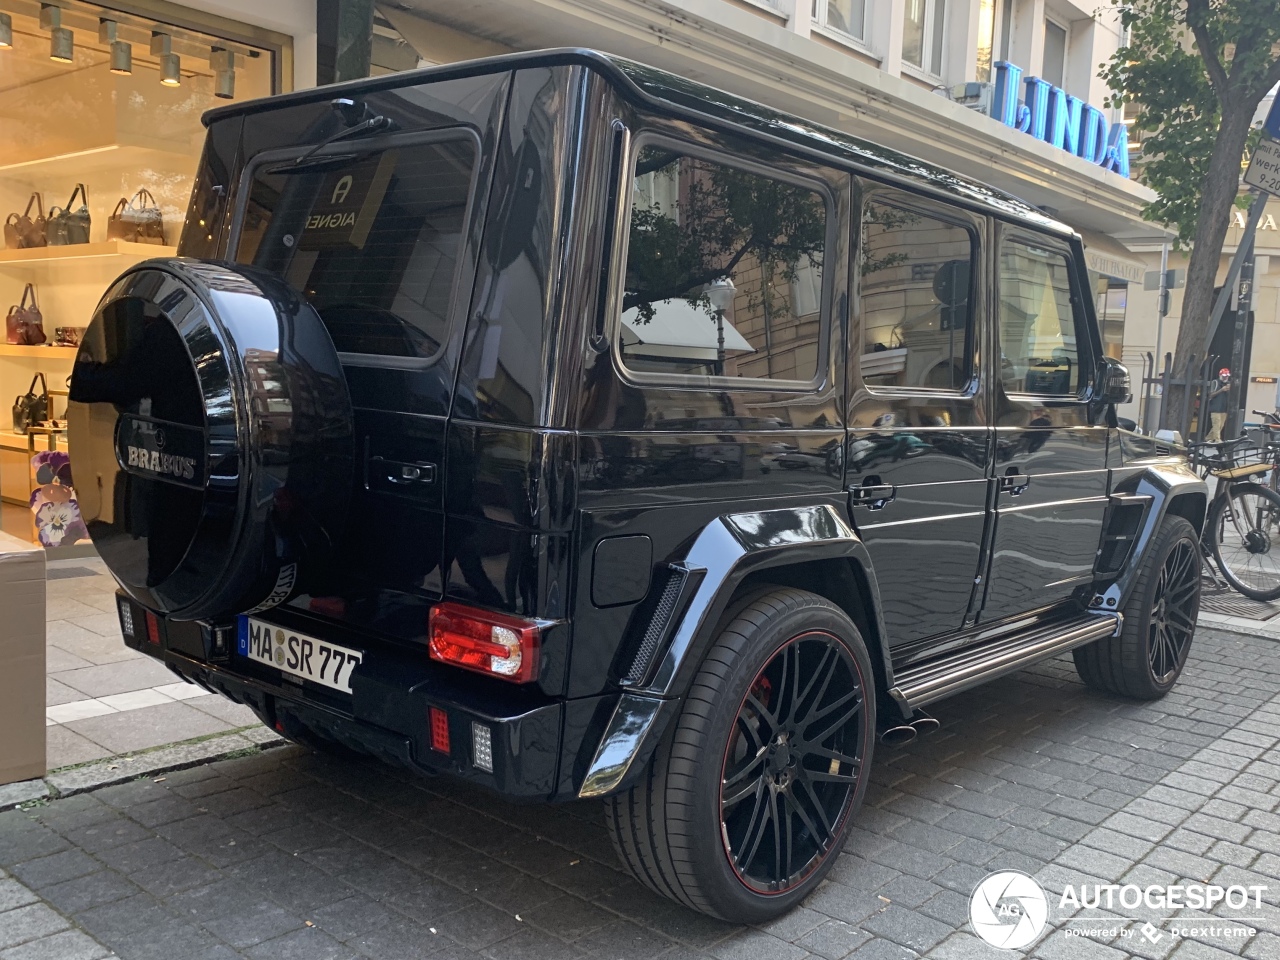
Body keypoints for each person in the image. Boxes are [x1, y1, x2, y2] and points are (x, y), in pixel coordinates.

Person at [1205, 369, 1231, 442]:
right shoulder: (1215, 382)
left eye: (1227, 376)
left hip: (1224, 408)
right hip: (1215, 408)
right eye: (1224, 376)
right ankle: (1217, 440)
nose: (1225, 378)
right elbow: (1210, 395)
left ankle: (1209, 438)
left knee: (1220, 425)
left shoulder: (1228, 384)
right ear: (1220, 376)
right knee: (1216, 425)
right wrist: (1221, 390)